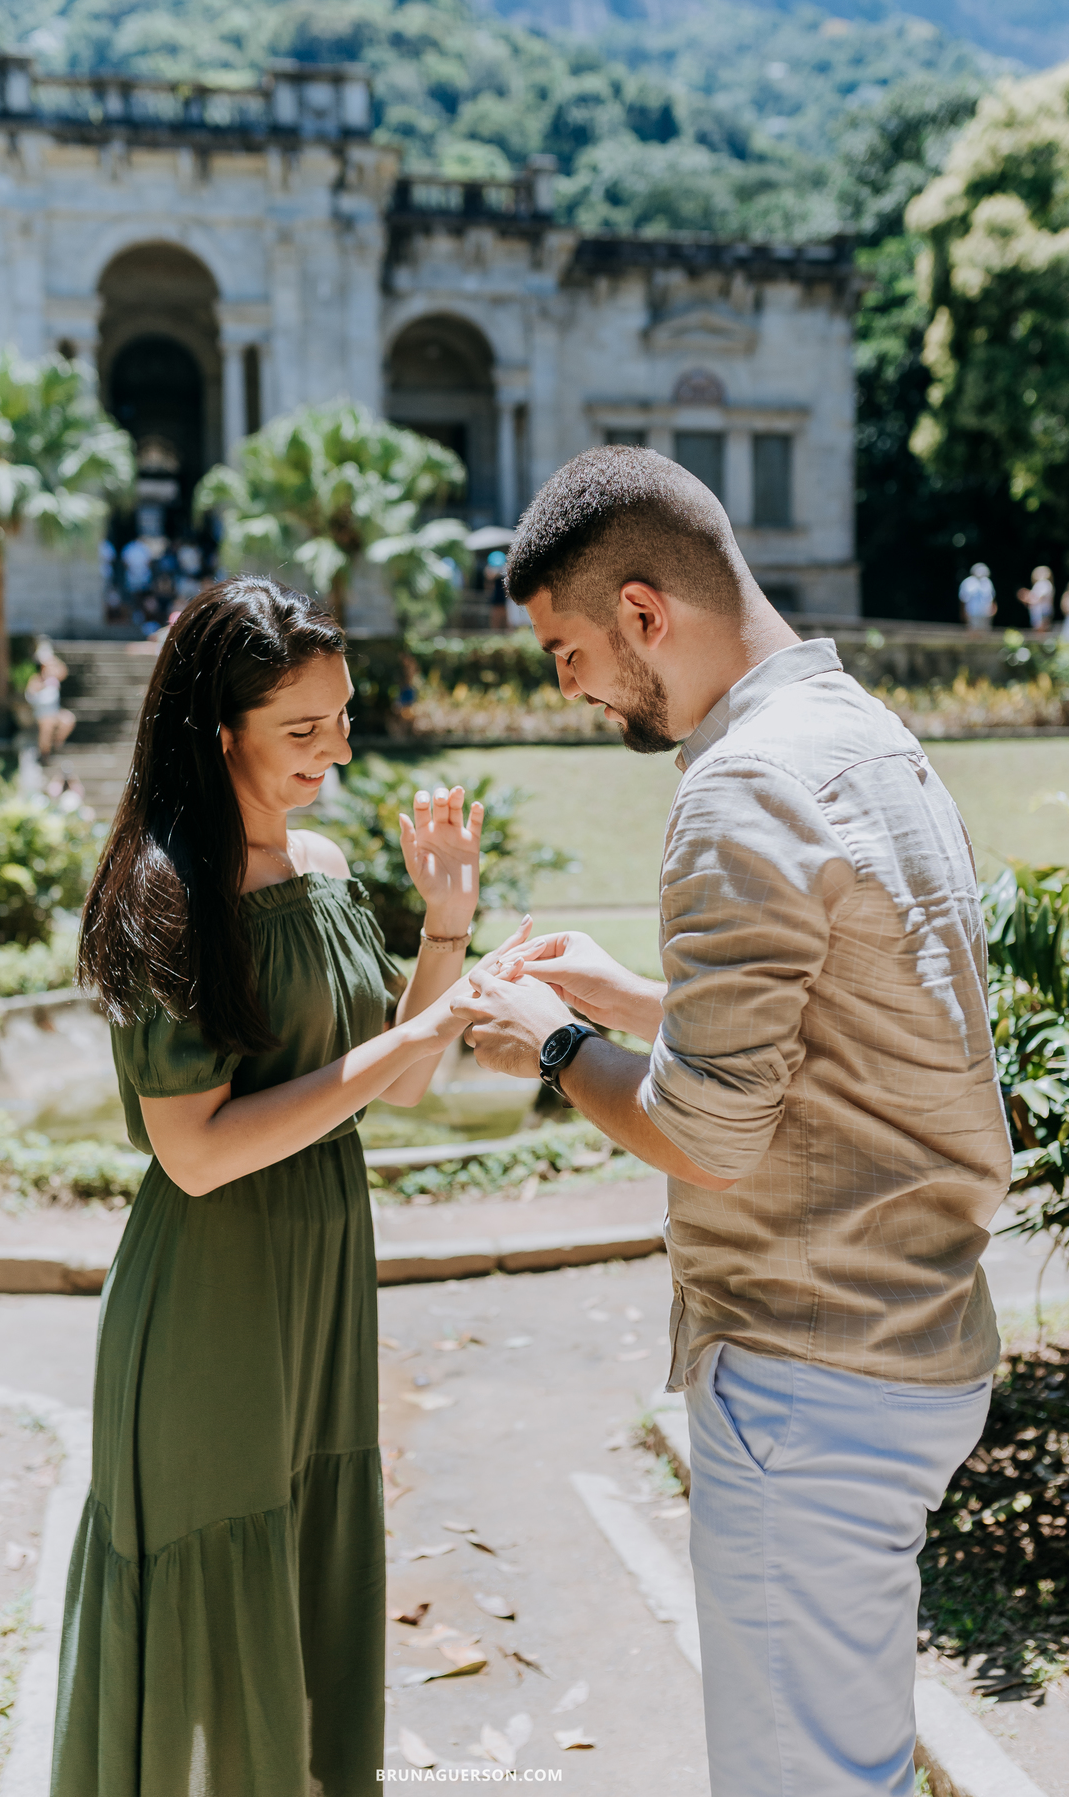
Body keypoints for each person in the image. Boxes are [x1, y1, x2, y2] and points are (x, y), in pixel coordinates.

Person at [451, 447, 1011, 1797]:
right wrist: (644, 995)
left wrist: (558, 1042)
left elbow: (707, 1134)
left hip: (813, 1366)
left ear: (645, 613)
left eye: (568, 649)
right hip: (914, 1332)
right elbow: (860, 1013)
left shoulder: (738, 785)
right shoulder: (857, 730)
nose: (568, 687)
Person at [54, 577, 528, 1796]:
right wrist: (389, 1054)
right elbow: (196, 1153)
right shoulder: (164, 894)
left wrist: (445, 922)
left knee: (308, 1565)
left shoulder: (318, 863)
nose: (337, 752)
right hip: (210, 1300)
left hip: (317, 1285)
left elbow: (405, 1086)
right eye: (302, 731)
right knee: (213, 1599)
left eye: (344, 720)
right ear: (220, 736)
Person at [25, 638, 75, 762]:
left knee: (68, 720)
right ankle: (44, 754)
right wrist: (43, 685)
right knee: (47, 724)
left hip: (54, 712)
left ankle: (55, 744)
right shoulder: (36, 679)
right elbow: (30, 695)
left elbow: (64, 671)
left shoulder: (53, 678)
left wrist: (52, 659)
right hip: (41, 714)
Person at [958, 560, 995, 631]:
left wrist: (993, 610)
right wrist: (963, 613)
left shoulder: (988, 582)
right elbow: (963, 599)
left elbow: (992, 598)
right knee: (973, 632)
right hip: (972, 613)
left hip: (986, 614)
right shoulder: (967, 582)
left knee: (984, 633)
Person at [1019, 564, 1055, 633]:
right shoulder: (1040, 584)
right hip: (1038, 612)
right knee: (1038, 630)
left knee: (1042, 631)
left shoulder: (1045, 583)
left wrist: (1027, 598)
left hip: (1043, 611)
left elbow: (1038, 598)